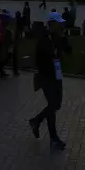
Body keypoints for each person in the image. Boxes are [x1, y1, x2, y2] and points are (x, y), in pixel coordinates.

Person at [29, 12, 67, 150]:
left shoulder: (57, 37)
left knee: (56, 105)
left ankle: (36, 121)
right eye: (59, 23)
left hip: (56, 75)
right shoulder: (44, 39)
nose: (62, 24)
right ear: (52, 24)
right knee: (52, 105)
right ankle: (53, 138)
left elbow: (64, 52)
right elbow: (41, 60)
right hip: (46, 76)